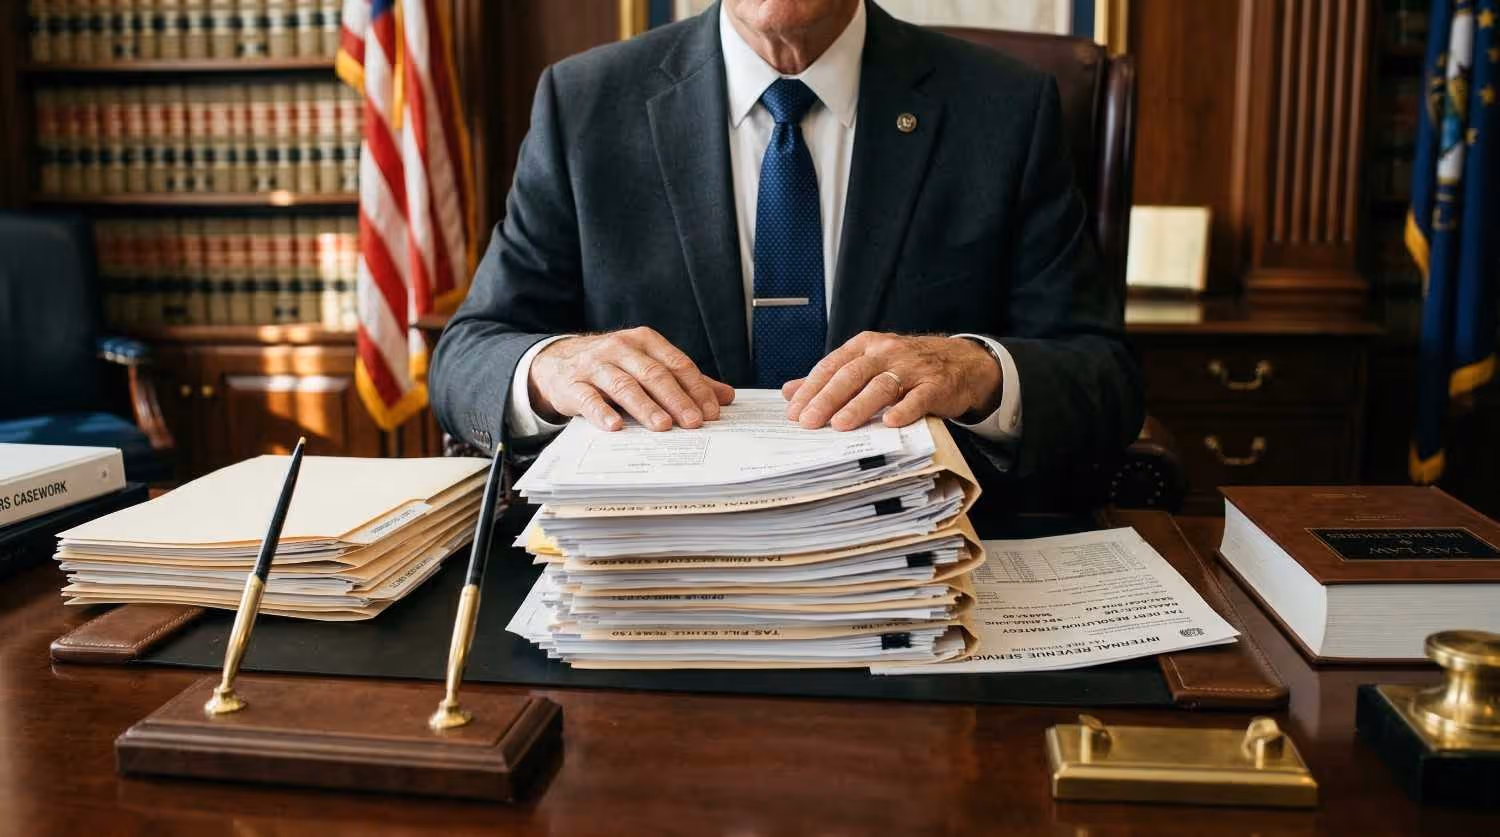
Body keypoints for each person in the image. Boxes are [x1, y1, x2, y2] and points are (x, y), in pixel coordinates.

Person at [430, 0, 1143, 494]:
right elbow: (468, 354)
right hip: (657, 577)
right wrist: (555, 366)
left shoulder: (1004, 108)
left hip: (922, 575)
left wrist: (981, 370)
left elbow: (1103, 376)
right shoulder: (584, 103)